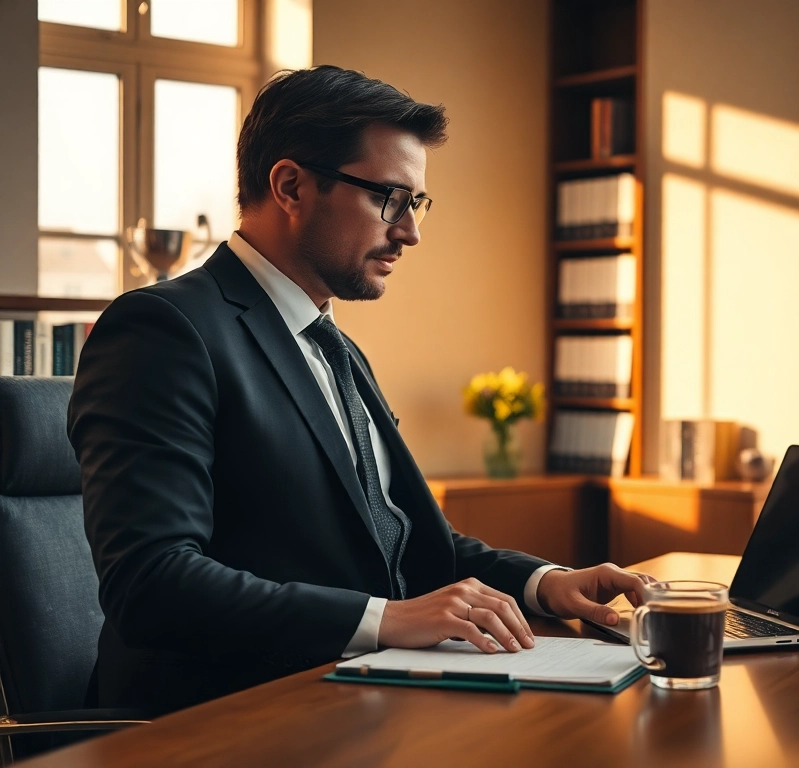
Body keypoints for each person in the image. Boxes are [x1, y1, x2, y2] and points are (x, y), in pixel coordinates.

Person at [68, 65, 648, 716]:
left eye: (416, 204)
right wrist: (388, 620)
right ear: (290, 185)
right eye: (390, 200)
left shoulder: (334, 346)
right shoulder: (163, 330)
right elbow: (151, 583)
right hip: (219, 722)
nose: (410, 232)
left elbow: (403, 540)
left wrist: (546, 583)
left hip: (356, 703)